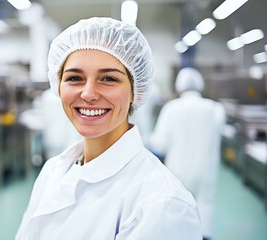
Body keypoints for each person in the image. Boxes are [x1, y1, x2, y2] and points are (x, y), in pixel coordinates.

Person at [16, 17, 202, 240]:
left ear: (135, 91)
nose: (88, 94)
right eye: (75, 78)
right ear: (58, 85)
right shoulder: (52, 171)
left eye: (108, 79)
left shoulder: (161, 203)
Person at [149, 67, 226, 240]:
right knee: (204, 209)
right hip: (206, 171)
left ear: (179, 87)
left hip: (178, 171)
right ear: (200, 86)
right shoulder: (215, 109)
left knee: (178, 213)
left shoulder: (171, 108)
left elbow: (160, 144)